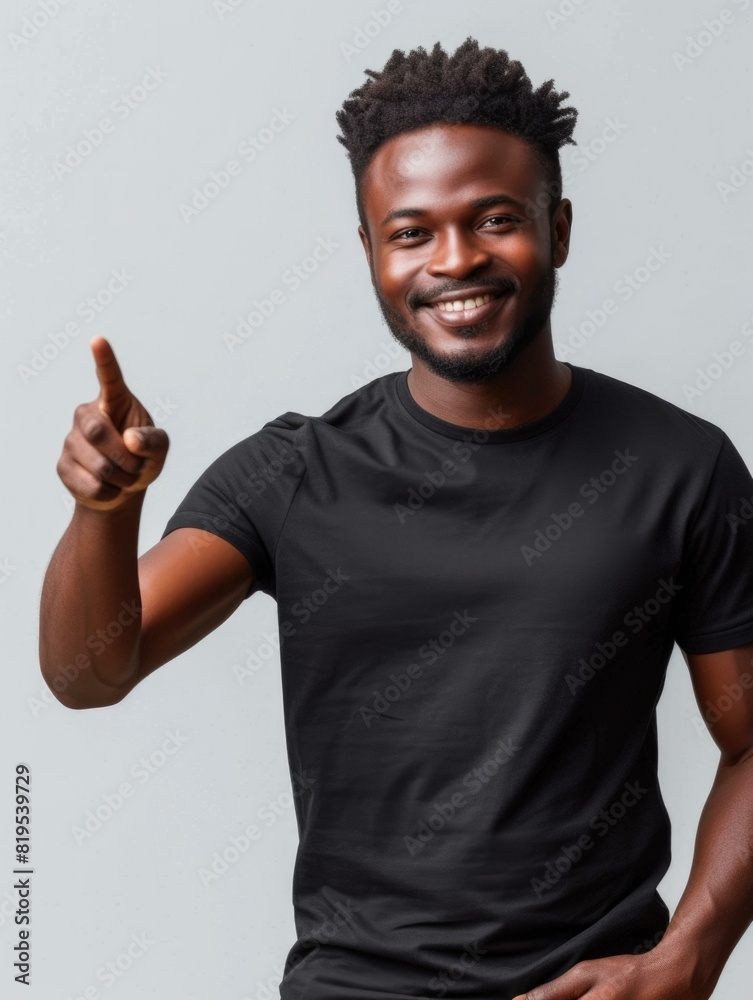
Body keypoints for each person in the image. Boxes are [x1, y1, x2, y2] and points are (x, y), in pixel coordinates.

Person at [39, 37, 753, 1000]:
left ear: (561, 228)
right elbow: (89, 673)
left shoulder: (680, 466)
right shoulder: (294, 472)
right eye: (410, 232)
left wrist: (691, 955)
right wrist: (105, 513)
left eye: (494, 219)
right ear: (372, 251)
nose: (454, 260)